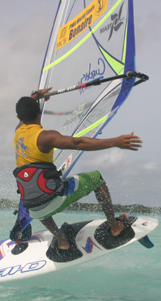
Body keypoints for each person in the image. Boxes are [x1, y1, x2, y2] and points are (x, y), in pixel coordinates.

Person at [12, 87, 142, 251]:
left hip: (32, 209)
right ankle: (115, 226)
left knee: (36, 192)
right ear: (39, 110)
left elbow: (24, 115)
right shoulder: (45, 137)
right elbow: (78, 143)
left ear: (19, 117)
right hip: (53, 200)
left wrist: (35, 96)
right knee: (96, 178)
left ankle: (62, 241)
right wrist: (115, 142)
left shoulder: (18, 132)